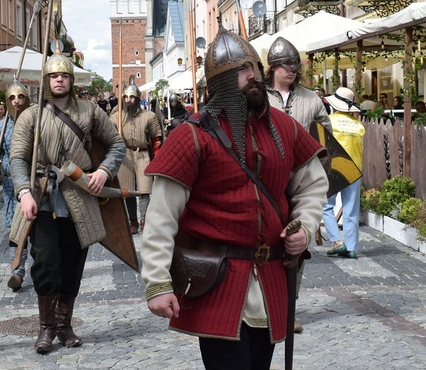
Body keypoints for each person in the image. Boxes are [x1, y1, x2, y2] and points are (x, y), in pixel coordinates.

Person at [141, 27, 328, 369]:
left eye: (255, 67)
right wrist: (157, 282)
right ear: (221, 83)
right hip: (218, 281)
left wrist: (304, 225)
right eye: (241, 71)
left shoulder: (284, 127)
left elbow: (312, 185)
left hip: (271, 276)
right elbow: (162, 214)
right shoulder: (192, 136)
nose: (253, 76)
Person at [9, 50, 125, 353]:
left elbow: (116, 144)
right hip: (42, 197)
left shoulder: (90, 111)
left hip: (79, 196)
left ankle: (64, 325)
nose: (59, 80)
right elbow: (18, 158)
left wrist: (103, 170)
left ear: (71, 80)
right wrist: (23, 192)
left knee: (73, 264)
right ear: (46, 80)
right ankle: (46, 328)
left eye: (64, 75)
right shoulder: (30, 115)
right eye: (53, 75)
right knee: (45, 263)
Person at [263, 35, 331, 333]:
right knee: (267, 243)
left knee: (297, 246)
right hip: (266, 180)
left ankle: (288, 311)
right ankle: (265, 306)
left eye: (294, 65)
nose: (290, 70)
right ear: (273, 67)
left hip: (301, 181)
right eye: (284, 65)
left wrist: (320, 174)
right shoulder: (260, 98)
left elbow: (325, 139)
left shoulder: (311, 99)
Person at [0, 82, 32, 292]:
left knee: (38, 230)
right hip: (13, 185)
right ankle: (18, 271)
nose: (16, 102)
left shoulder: (36, 122)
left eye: (20, 97)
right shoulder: (3, 126)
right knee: (18, 230)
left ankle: (40, 270)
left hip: (36, 184)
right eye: (12, 98)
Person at [110, 80, 162, 234]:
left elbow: (156, 139)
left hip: (143, 155)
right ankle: (132, 221)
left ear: (138, 99)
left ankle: (144, 220)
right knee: (128, 191)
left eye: (132, 97)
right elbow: (108, 138)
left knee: (145, 190)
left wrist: (158, 160)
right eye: (126, 97)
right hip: (124, 155)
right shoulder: (116, 118)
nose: (128, 100)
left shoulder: (149, 116)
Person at [322, 87, 366, 259]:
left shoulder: (329, 121)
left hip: (335, 167)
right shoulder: (358, 126)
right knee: (351, 209)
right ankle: (351, 247)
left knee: (326, 206)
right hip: (355, 170)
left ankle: (336, 241)